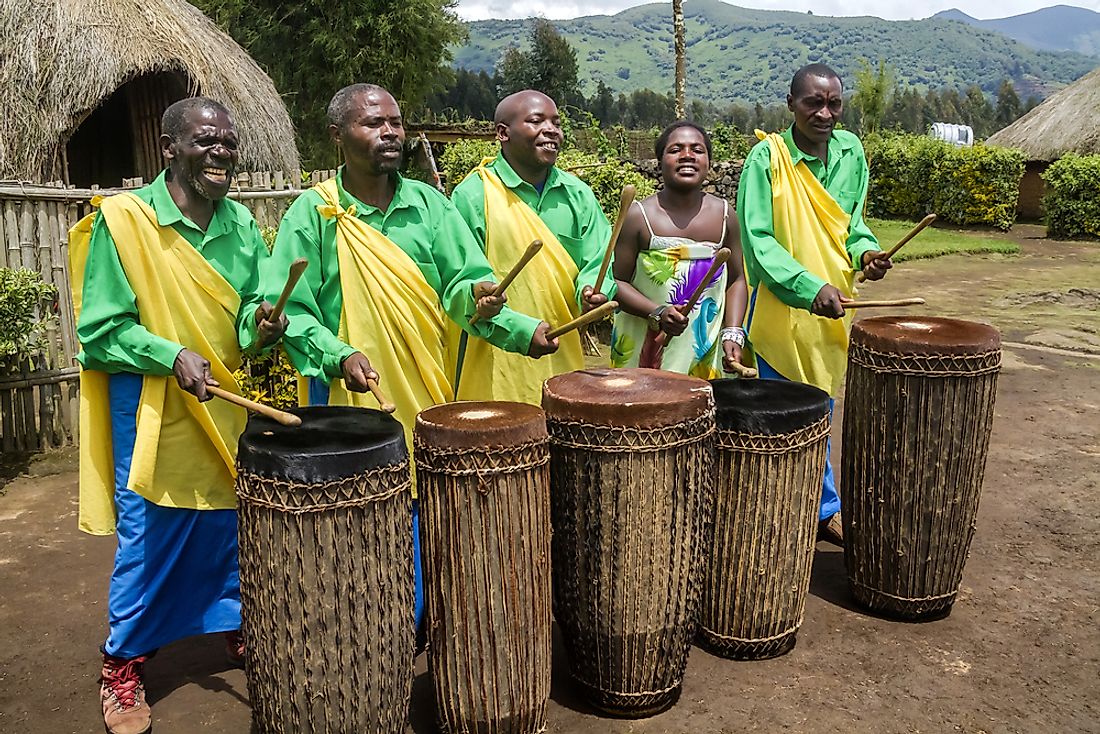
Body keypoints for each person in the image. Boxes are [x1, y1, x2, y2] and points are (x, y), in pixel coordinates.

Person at [269, 83, 556, 639]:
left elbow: (465, 285)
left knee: (424, 514)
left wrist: (514, 322)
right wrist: (338, 352)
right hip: (350, 404)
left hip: (426, 390)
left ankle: (416, 624)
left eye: (396, 122)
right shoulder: (313, 213)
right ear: (337, 137)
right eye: (374, 124)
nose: (390, 132)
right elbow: (292, 313)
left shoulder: (430, 205)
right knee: (352, 524)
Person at [69, 97, 286, 734]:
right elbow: (101, 332)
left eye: (229, 141)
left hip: (222, 401)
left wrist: (262, 324)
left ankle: (232, 630)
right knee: (149, 536)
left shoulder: (242, 225)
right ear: (170, 148)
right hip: (154, 407)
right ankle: (122, 665)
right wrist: (170, 354)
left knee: (228, 531)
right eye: (205, 140)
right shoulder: (125, 222)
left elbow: (246, 312)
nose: (221, 151)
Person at [737, 63, 893, 546]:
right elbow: (758, 242)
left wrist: (866, 253)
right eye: (813, 103)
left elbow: (853, 224)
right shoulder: (766, 159)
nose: (825, 113)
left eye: (833, 104)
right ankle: (809, 508)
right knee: (788, 411)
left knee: (822, 405)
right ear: (791, 105)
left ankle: (811, 507)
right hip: (784, 311)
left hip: (836, 304)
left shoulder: (852, 152)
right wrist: (808, 288)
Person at [450, 89, 614, 405]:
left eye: (556, 122)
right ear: (502, 133)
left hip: (561, 352)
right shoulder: (472, 196)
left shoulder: (577, 195)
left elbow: (600, 259)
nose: (551, 129)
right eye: (537, 121)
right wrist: (517, 329)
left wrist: (594, 290)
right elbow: (460, 280)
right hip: (492, 357)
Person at [610, 121, 749, 378]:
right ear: (660, 161)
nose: (687, 156)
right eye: (676, 149)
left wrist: (733, 331)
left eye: (697, 149)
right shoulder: (639, 217)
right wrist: (657, 312)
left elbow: (737, 279)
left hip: (702, 351)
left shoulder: (725, 216)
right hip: (646, 350)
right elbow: (615, 282)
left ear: (709, 161)